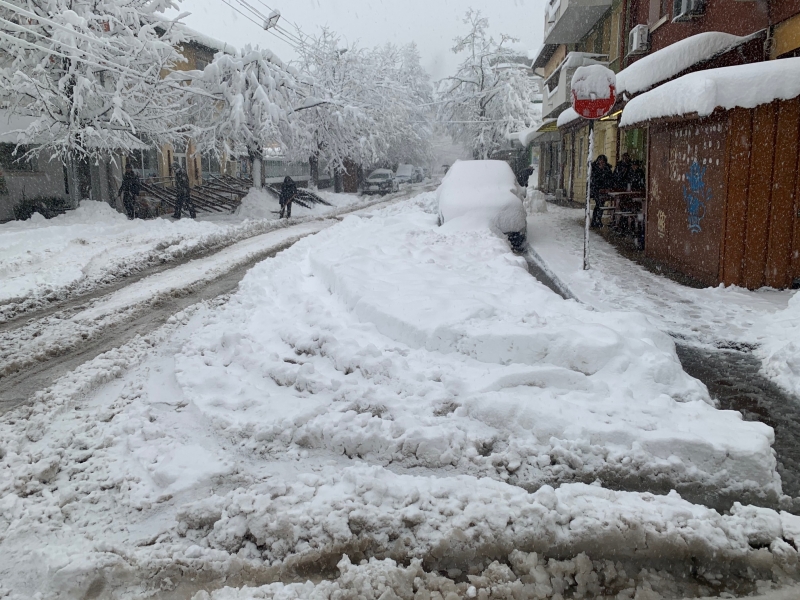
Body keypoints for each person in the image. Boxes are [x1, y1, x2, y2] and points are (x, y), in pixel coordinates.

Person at [589, 154, 614, 228]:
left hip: (604, 190)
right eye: (600, 160)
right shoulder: (594, 168)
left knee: (601, 205)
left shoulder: (607, 169)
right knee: (598, 204)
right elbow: (594, 180)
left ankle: (597, 219)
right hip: (596, 190)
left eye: (603, 161)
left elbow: (610, 179)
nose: (601, 162)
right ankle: (595, 220)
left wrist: (607, 186)